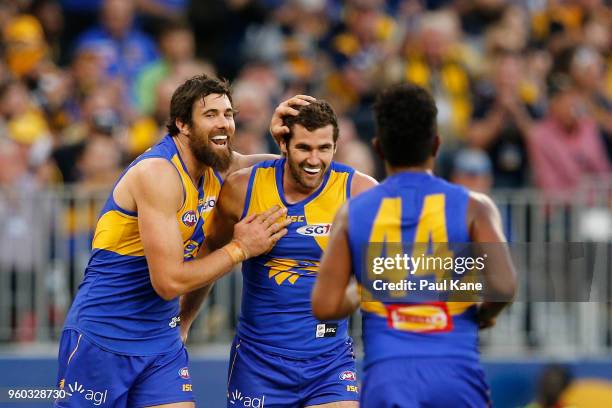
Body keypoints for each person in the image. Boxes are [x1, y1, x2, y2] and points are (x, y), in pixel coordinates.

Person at [55, 74, 312, 408]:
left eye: (228, 114)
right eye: (211, 115)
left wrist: (288, 142)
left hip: (161, 341)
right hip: (104, 338)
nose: (224, 124)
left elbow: (273, 169)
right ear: (182, 124)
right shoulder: (158, 173)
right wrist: (241, 248)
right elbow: (169, 281)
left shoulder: (213, 164)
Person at [311, 83, 517, 407]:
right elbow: (504, 285)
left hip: (388, 378)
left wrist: (365, 288)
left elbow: (323, 306)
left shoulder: (354, 213)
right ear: (436, 144)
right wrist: (486, 314)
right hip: (457, 375)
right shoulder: (475, 206)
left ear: (378, 148)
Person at [187, 100, 376, 407]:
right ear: (283, 144)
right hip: (258, 364)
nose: (315, 159)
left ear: (336, 145)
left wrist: (478, 276)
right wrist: (183, 321)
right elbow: (209, 255)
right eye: (304, 148)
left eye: (324, 148)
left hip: (329, 363)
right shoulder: (243, 188)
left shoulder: (359, 191)